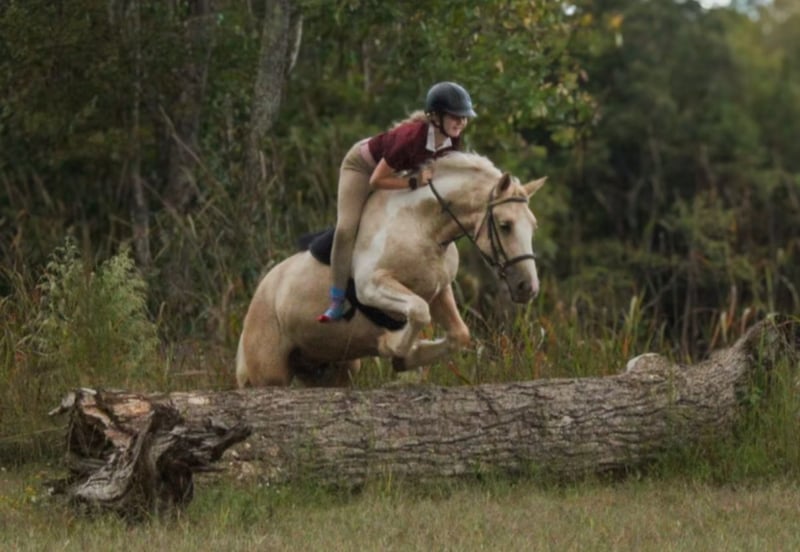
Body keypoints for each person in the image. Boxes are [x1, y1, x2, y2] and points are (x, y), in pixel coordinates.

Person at [317, 81, 477, 322]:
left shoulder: (452, 139)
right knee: (346, 228)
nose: (461, 122)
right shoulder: (410, 139)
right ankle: (337, 300)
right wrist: (414, 182)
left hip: (398, 169)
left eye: (464, 117)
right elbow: (377, 180)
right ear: (436, 117)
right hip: (362, 168)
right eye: (455, 116)